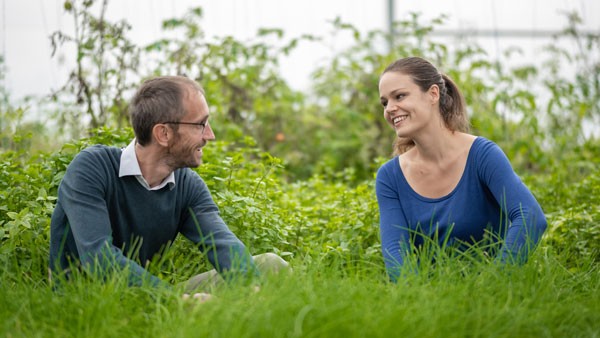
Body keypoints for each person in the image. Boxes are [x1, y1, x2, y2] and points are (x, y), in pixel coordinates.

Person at [49, 75, 288, 295]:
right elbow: (98, 259)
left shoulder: (187, 185)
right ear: (163, 134)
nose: (210, 135)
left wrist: (251, 287)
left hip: (145, 296)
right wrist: (177, 301)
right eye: (200, 124)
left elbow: (222, 244)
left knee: (271, 266)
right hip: (85, 304)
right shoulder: (92, 168)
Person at [375, 57, 547, 281]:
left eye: (399, 96)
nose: (390, 108)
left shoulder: (482, 155)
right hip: (429, 303)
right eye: (384, 103)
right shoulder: (389, 177)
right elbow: (395, 254)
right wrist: (420, 301)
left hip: (498, 300)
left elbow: (530, 217)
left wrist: (492, 284)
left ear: (433, 94)